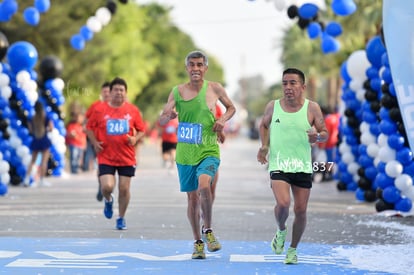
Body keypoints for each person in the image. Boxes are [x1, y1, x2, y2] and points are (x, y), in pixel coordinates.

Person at [159, 50, 236, 260]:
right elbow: (163, 119)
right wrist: (167, 116)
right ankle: (197, 242)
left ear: (205, 68)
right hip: (185, 153)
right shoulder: (176, 92)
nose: (195, 69)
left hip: (208, 149)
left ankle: (208, 230)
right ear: (187, 68)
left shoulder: (215, 88)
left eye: (199, 65)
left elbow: (231, 108)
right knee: (192, 199)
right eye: (192, 65)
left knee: (205, 186)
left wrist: (222, 121)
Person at [256, 68, 328, 264]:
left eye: (293, 83)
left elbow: (325, 132)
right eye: (285, 83)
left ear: (303, 87)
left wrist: (318, 136)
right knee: (283, 203)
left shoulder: (312, 108)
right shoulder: (273, 106)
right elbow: (263, 125)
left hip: (303, 166)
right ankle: (281, 230)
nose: (288, 87)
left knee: (301, 210)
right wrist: (264, 146)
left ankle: (293, 249)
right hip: (279, 164)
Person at [86, 77, 145, 230]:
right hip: (106, 155)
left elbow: (142, 130)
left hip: (126, 156)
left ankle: (121, 217)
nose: (119, 93)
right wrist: (94, 142)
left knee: (124, 189)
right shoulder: (100, 110)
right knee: (107, 186)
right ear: (110, 93)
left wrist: (134, 139)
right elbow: (89, 127)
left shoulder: (133, 110)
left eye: (121, 90)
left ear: (125, 93)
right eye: (116, 90)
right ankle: (108, 200)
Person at [84, 82, 111, 201]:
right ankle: (102, 185)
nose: (106, 94)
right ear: (101, 93)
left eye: (108, 91)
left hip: (114, 144)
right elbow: (87, 120)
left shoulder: (117, 107)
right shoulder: (95, 106)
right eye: (104, 91)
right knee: (101, 165)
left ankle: (108, 185)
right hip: (98, 142)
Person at [24, 100, 54, 187]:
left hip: (36, 139)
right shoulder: (46, 117)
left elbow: (30, 130)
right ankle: (42, 180)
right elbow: (51, 128)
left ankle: (26, 179)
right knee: (44, 162)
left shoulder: (32, 118)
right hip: (44, 140)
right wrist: (46, 130)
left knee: (32, 161)